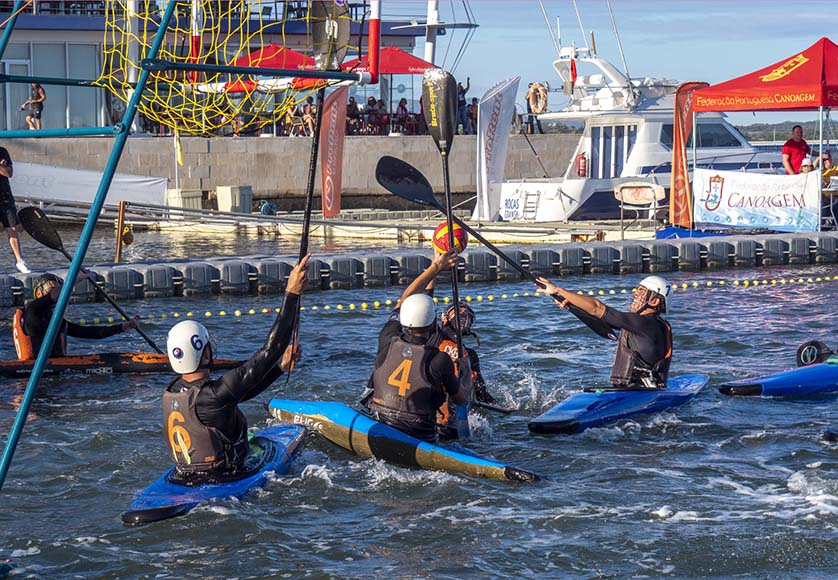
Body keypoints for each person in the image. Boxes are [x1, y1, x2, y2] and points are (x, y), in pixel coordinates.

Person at [163, 254, 309, 478]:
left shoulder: (173, 391)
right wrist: (291, 294)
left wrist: (280, 367)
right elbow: (270, 350)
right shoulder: (213, 395)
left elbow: (239, 393)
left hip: (186, 474)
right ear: (205, 353)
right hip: (225, 477)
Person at [367, 249, 467, 442]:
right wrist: (464, 375)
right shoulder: (440, 359)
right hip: (419, 434)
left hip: (380, 421)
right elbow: (460, 399)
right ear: (433, 324)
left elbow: (405, 299)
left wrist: (435, 267)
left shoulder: (387, 337)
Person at [536, 275, 673, 390]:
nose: (635, 294)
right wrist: (572, 305)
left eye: (642, 291)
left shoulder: (644, 324)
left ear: (654, 301)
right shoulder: (645, 325)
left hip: (640, 393)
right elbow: (601, 321)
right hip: (632, 391)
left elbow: (597, 308)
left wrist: (558, 290)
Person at [12, 273, 139, 360]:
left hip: (54, 369)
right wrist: (76, 278)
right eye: (52, 288)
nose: (63, 295)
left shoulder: (54, 320)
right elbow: (55, 295)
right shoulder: (32, 311)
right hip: (34, 372)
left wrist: (121, 327)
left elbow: (90, 333)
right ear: (39, 293)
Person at [0, 146, 29, 273]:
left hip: (5, 196)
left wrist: (2, 167)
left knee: (12, 228)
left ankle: (19, 260)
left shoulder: (2, 151)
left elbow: (9, 173)